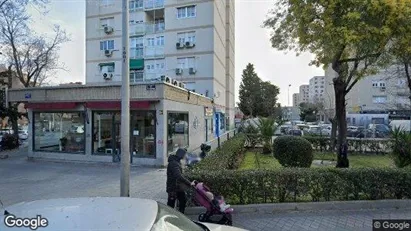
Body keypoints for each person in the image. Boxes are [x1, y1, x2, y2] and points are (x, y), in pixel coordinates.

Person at [166, 148, 195, 214]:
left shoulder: (176, 161)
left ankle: (180, 216)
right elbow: (178, 176)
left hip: (178, 188)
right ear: (181, 155)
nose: (185, 156)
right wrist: (189, 183)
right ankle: (170, 218)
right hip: (173, 188)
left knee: (182, 201)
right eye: (184, 155)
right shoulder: (174, 163)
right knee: (171, 205)